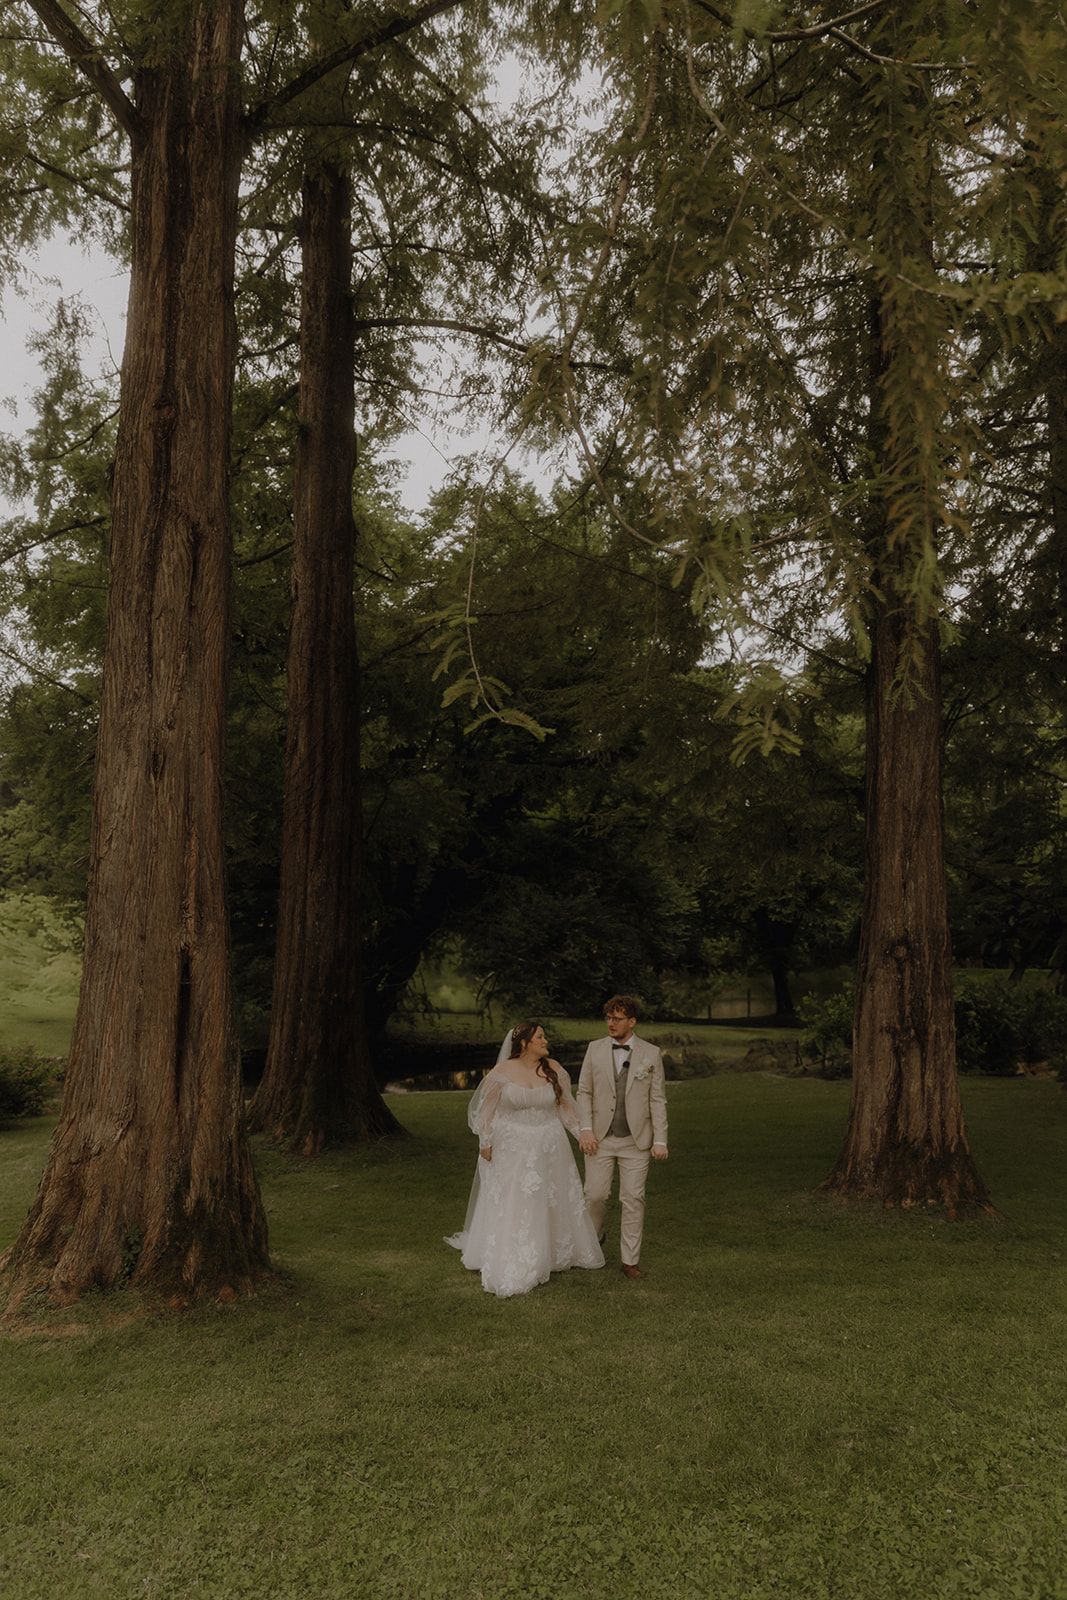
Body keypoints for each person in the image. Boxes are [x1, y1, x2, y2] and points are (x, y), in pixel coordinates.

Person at [446, 1022, 605, 1297]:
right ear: (524, 1043)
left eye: (544, 1036)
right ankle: (518, 1253)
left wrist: (582, 1134)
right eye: (540, 1037)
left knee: (550, 1197)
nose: (545, 1041)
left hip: (549, 1143)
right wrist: (485, 1141)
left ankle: (554, 1251)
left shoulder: (554, 1069)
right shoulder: (502, 1072)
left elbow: (566, 1108)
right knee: (517, 1198)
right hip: (513, 1145)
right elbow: (486, 1111)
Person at [577, 994, 668, 1280]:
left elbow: (657, 1099)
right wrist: (585, 1129)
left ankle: (630, 1260)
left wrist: (660, 1139)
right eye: (609, 1018)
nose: (611, 1023)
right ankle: (594, 1241)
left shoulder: (651, 1053)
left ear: (632, 1021)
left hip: (636, 1141)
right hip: (600, 1138)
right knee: (595, 1195)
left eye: (617, 1018)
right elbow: (584, 1092)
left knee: (633, 1198)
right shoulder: (594, 1049)